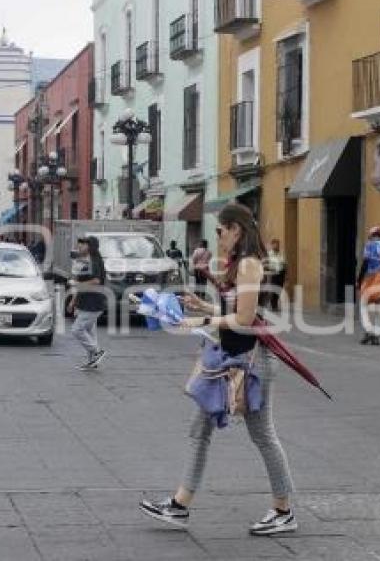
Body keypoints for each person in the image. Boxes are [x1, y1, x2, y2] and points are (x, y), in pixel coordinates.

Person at [139, 203, 296, 536]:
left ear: (236, 230)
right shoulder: (238, 264)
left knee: (263, 435)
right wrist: (203, 305)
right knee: (201, 429)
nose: (218, 237)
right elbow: (235, 309)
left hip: (251, 362)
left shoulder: (250, 265)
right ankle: (180, 506)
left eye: (220, 230)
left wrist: (202, 319)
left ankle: (283, 510)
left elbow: (244, 319)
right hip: (230, 358)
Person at [67, 236, 107, 370]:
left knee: (77, 330)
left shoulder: (95, 260)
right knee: (89, 332)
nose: (80, 247)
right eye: (79, 245)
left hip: (93, 302)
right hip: (85, 302)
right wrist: (73, 301)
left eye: (83, 245)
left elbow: (96, 281)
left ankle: (97, 352)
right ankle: (92, 362)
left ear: (90, 247)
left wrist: (79, 283)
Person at [357, 227, 380, 345]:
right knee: (379, 308)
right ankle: (376, 335)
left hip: (370, 277)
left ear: (372, 235)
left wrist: (359, 280)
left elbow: (365, 262)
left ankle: (368, 330)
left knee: (363, 305)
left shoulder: (369, 245)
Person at [265, 239, 287, 312]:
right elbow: (266, 265)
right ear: (272, 245)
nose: (276, 246)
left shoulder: (281, 253)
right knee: (273, 289)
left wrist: (286, 275)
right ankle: (273, 305)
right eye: (274, 244)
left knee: (279, 290)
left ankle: (275, 304)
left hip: (281, 273)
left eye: (277, 244)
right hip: (273, 274)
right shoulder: (269, 254)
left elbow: (285, 264)